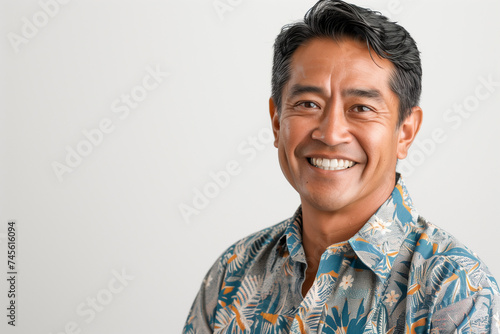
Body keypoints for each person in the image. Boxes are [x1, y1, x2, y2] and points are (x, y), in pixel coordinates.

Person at [183, 0, 500, 332]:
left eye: (361, 107)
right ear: (277, 122)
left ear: (405, 132)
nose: (330, 134)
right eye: (308, 104)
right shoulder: (233, 272)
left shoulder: (455, 289)